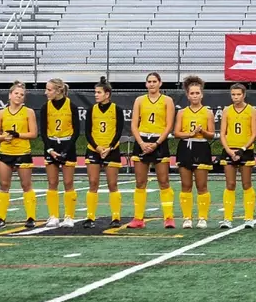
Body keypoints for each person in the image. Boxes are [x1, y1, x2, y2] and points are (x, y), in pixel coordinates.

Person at [128, 72, 176, 229]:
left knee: (164, 181)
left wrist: (156, 143)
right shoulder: (139, 100)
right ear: (146, 84)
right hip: (142, 141)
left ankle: (169, 217)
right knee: (140, 182)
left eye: (154, 81)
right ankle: (138, 218)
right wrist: (141, 142)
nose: (151, 84)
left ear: (160, 83)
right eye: (149, 81)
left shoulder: (167, 101)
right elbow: (134, 124)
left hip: (159, 142)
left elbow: (169, 125)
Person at [0, 80, 39, 228]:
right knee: (4, 184)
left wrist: (18, 135)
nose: (19, 96)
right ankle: (1, 217)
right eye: (16, 94)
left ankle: (31, 217)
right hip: (5, 152)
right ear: (10, 95)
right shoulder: (1, 113)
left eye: (22, 94)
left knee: (26, 184)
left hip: (22, 151)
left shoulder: (28, 112)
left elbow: (33, 134)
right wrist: (3, 138)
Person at [36, 77, 80, 228]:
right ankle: (53, 216)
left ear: (59, 90)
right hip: (51, 145)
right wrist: (50, 149)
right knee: (52, 182)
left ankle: (69, 216)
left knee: (68, 182)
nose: (46, 92)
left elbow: (76, 131)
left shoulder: (72, 106)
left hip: (67, 145)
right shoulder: (45, 107)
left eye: (49, 90)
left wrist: (66, 150)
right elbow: (43, 131)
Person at [174, 75, 216, 229]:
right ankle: (187, 218)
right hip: (185, 147)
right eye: (192, 93)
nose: (195, 96)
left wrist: (202, 131)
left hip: (201, 147)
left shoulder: (208, 112)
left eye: (197, 93)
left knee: (201, 185)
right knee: (186, 185)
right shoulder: (182, 113)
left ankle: (202, 218)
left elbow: (212, 134)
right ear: (187, 95)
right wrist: (189, 134)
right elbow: (176, 133)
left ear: (202, 94)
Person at [83, 76, 123, 227]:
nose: (96, 95)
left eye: (99, 92)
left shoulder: (116, 110)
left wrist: (109, 147)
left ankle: (116, 217)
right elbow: (87, 132)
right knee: (93, 183)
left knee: (112, 184)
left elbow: (118, 131)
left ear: (107, 94)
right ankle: (90, 217)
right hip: (94, 150)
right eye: (95, 92)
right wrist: (97, 148)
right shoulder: (91, 110)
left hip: (111, 150)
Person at [220, 82, 256, 229]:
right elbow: (222, 133)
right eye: (233, 94)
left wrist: (243, 149)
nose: (235, 97)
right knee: (230, 184)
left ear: (244, 95)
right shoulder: (227, 110)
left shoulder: (251, 111)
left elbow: (254, 133)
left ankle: (249, 218)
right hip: (230, 149)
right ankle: (227, 219)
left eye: (238, 94)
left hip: (246, 150)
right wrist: (229, 151)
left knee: (246, 184)